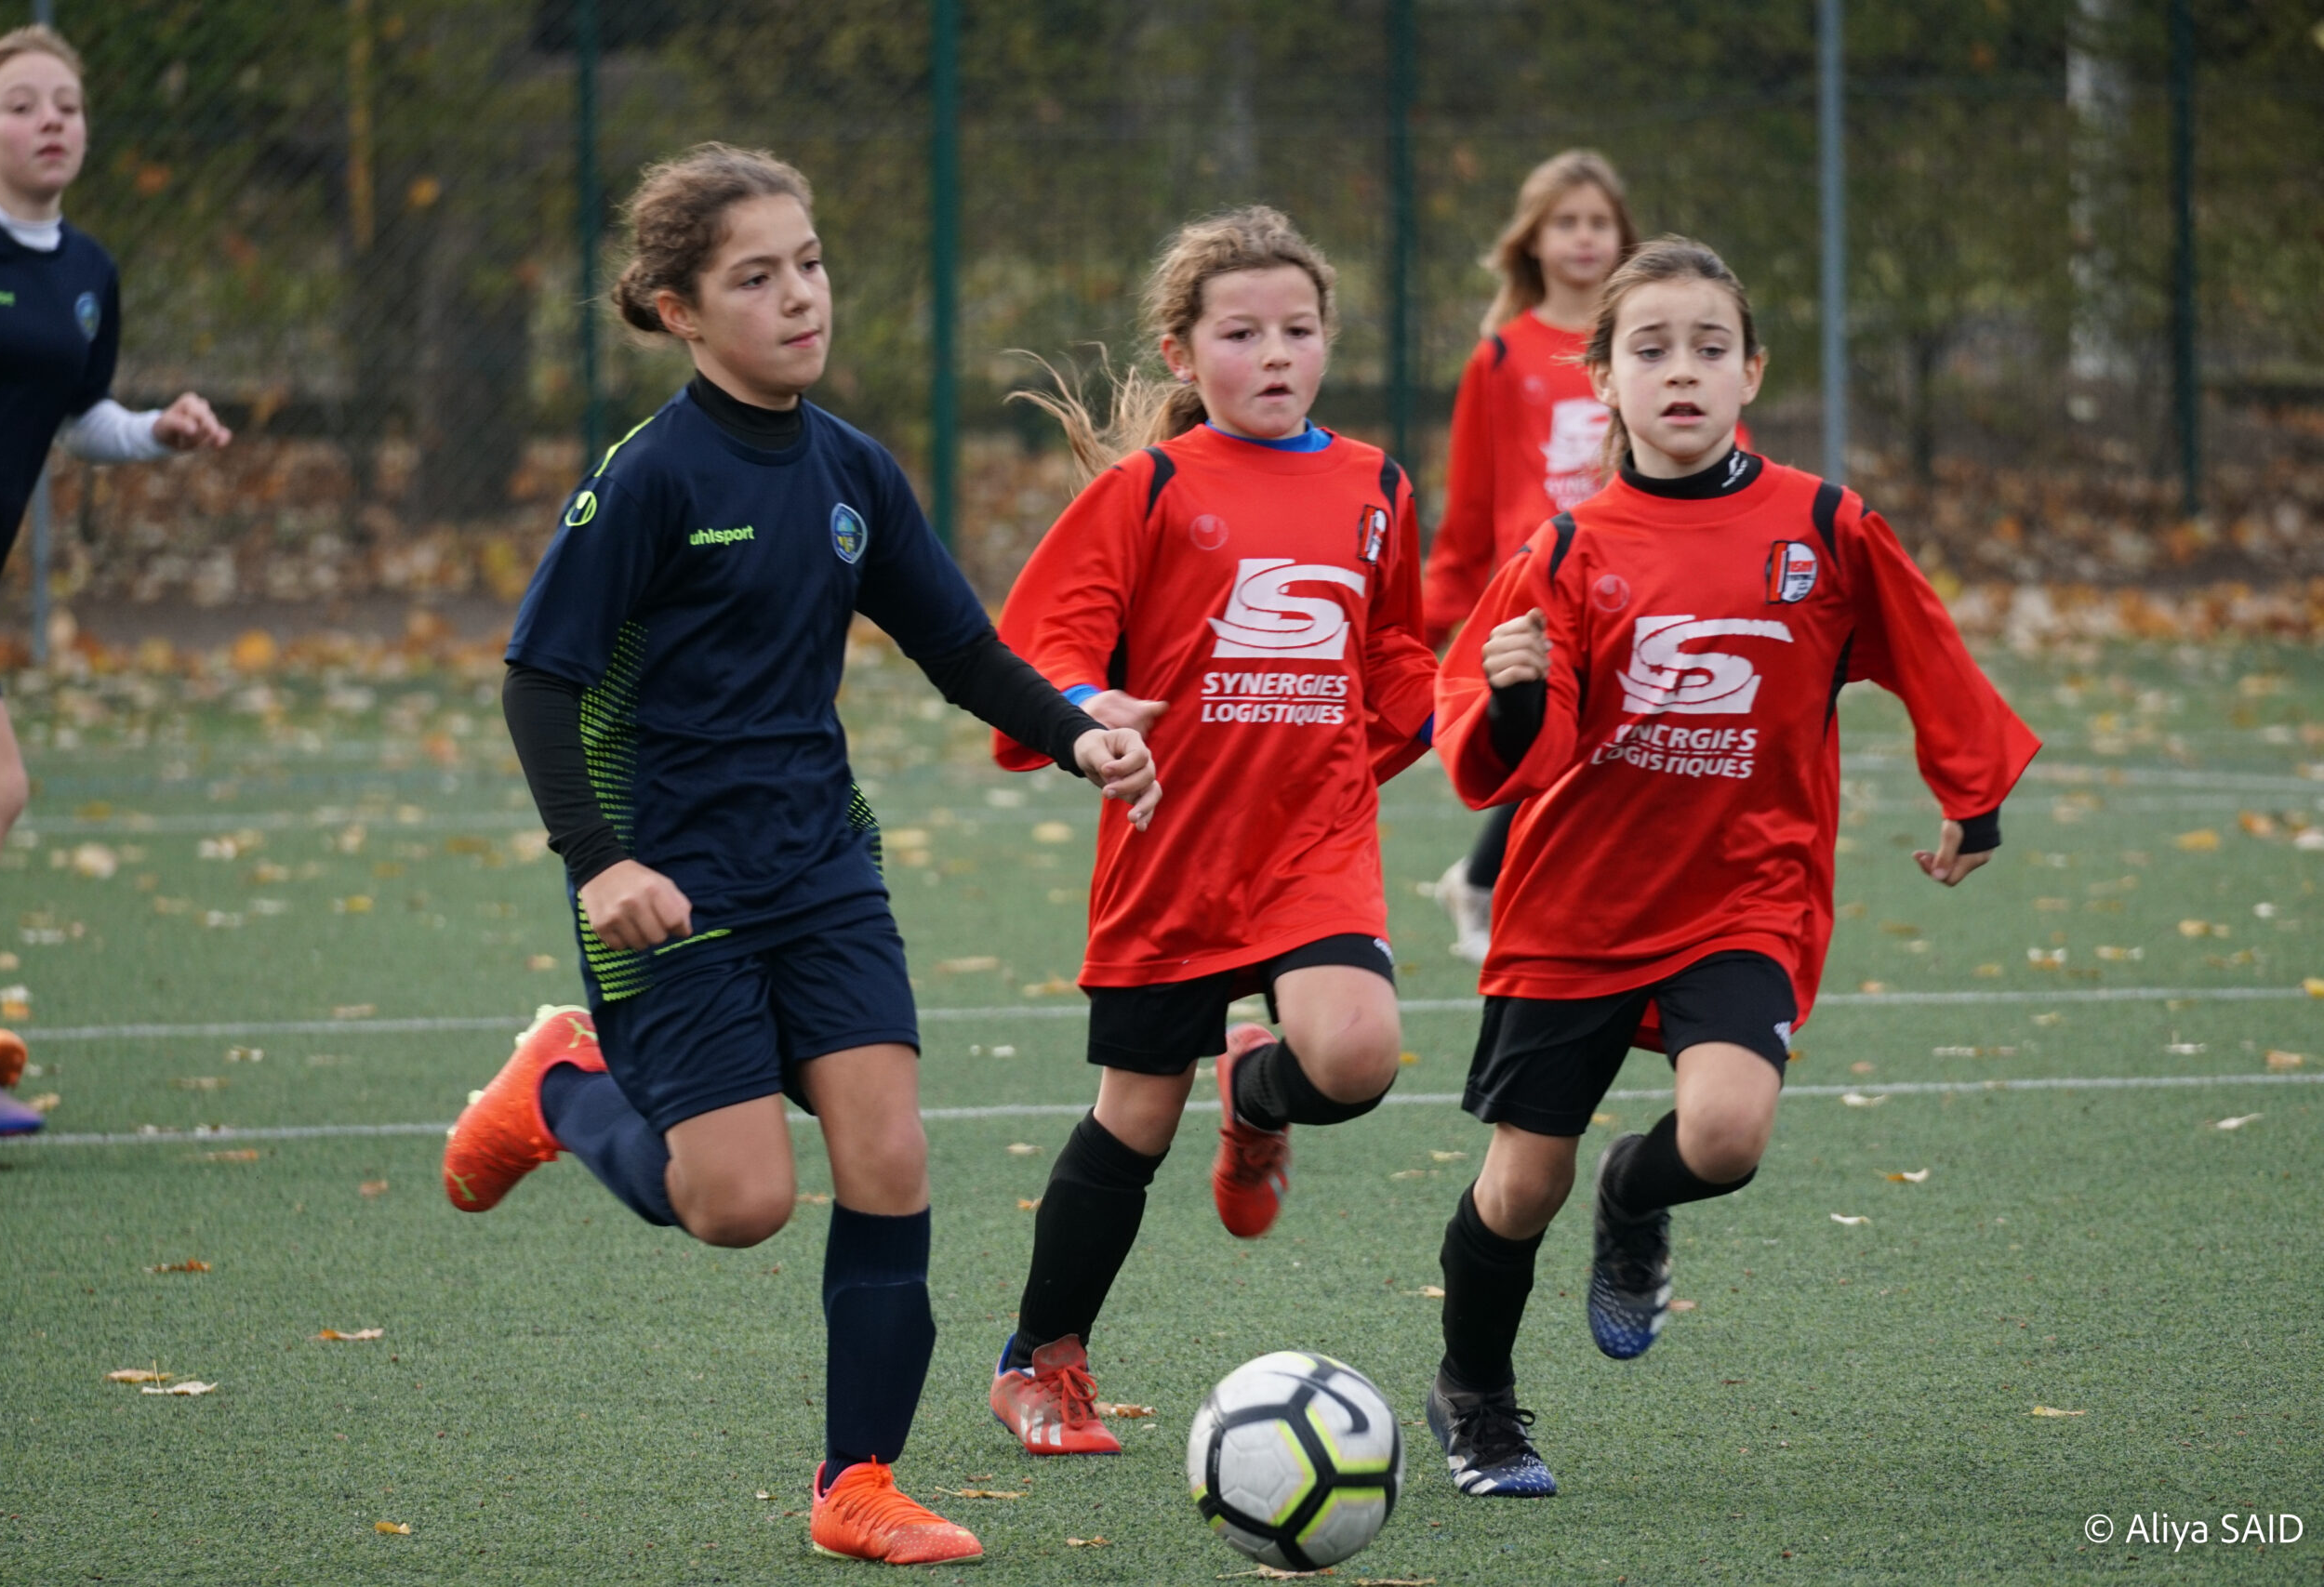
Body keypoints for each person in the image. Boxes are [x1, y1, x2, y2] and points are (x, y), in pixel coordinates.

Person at [440, 144, 1157, 1567]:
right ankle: (559, 1084)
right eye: (754, 277)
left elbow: (958, 646)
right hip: (672, 882)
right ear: (678, 311)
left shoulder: (851, 470)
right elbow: (537, 680)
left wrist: (1076, 731)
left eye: (810, 263)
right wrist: (599, 863)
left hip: (823, 862)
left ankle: (856, 1483)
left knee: (888, 1154)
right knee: (739, 1203)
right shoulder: (646, 479)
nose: (798, 297)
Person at [1424, 238, 2039, 1498]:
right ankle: (1475, 1396)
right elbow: (1494, 754)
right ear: (1603, 379)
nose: (1682, 371)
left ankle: (1634, 1191)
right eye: (1650, 349)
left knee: (1726, 1130)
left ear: (1751, 371)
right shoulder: (1567, 547)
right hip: (1576, 904)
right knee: (1519, 1179)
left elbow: (1927, 650)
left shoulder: (1822, 526)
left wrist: (1972, 792)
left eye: (1710, 346)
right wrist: (1510, 695)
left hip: (1745, 889)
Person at [982, 206, 1438, 1457]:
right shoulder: (1151, 490)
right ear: (1182, 355)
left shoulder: (1377, 484)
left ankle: (1264, 1085)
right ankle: (1041, 1358)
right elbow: (1043, 648)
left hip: (1313, 841)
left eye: (1299, 329)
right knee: (1134, 1112)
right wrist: (1084, 714)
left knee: (1355, 1057)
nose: (1275, 353)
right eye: (1242, 332)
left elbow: (1393, 650)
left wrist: (1459, 714)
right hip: (1172, 841)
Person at [0, 25, 231, 1136]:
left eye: (66, 102)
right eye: (22, 105)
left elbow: (77, 422)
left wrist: (158, 429)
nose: (51, 119)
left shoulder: (87, 272)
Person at [1426, 152, 1637, 962]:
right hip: (1543, 590)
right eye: (1566, 222)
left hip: (1636, 581)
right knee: (1556, 734)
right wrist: (1432, 612)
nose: (1584, 238)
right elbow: (1472, 506)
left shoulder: (1648, 345)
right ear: (1534, 240)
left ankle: (1491, 878)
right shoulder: (1504, 357)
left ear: (1622, 237)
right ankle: (1490, 881)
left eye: (1598, 221)